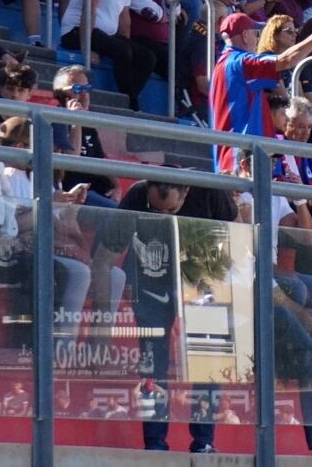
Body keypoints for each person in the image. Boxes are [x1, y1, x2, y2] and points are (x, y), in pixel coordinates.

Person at [89, 180, 218, 453]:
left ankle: (204, 442)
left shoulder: (212, 191)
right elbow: (103, 260)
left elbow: (240, 234)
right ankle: (155, 444)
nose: (163, 217)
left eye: (171, 210)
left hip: (201, 284)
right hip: (152, 287)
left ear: (186, 191)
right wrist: (102, 321)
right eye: (155, 209)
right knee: (152, 367)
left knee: (208, 360)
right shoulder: (137, 195)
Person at [210, 11, 312, 172]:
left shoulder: (223, 64)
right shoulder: (241, 63)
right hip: (240, 161)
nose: (257, 38)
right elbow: (285, 61)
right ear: (244, 35)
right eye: (255, 33)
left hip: (235, 156)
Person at [58, 0, 160, 110]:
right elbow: (89, 9)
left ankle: (129, 97)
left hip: (103, 34)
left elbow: (124, 17)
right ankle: (128, 104)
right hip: (77, 31)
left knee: (147, 57)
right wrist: (87, 47)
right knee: (122, 51)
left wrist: (124, 42)